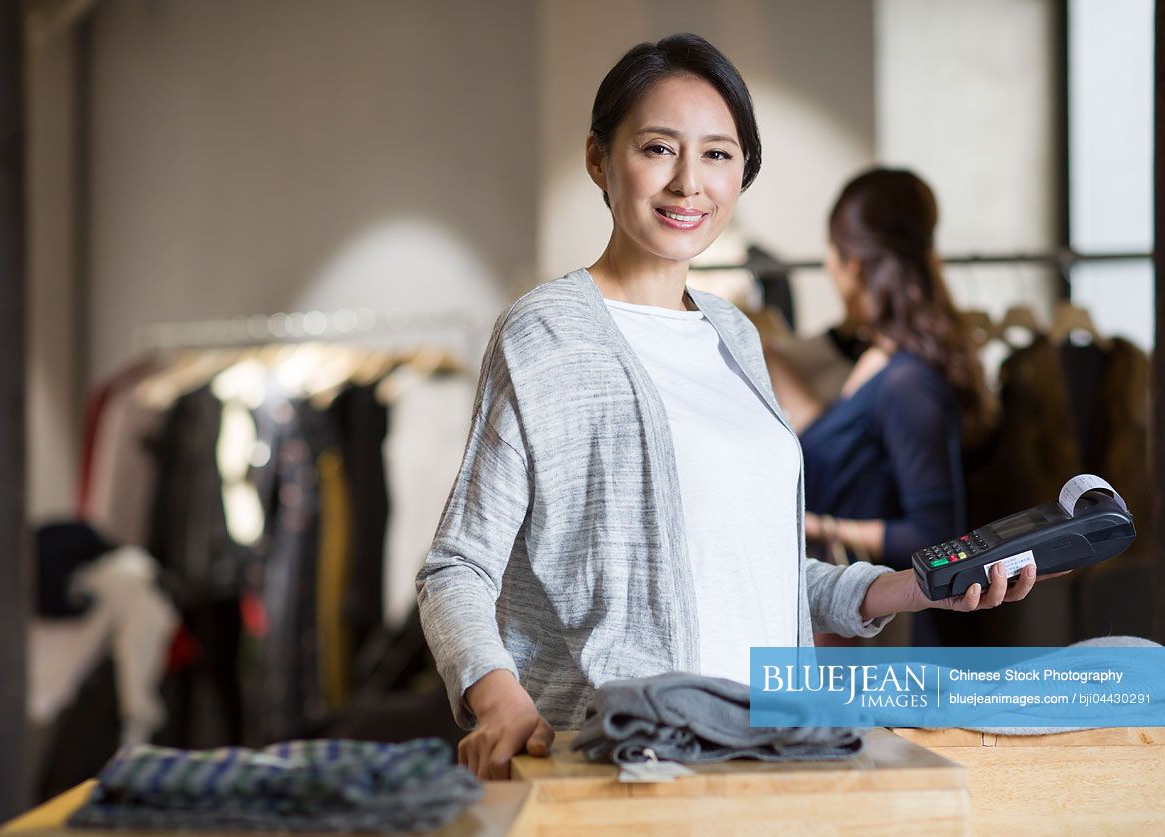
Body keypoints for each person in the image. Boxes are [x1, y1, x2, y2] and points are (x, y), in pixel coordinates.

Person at [416, 35, 1043, 781]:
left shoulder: (734, 336)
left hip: (774, 751)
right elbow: (456, 566)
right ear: (597, 159)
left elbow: (762, 569)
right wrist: (499, 700)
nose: (689, 183)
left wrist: (913, 585)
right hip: (626, 765)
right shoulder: (546, 330)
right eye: (657, 148)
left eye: (717, 154)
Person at [767, 168, 999, 646]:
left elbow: (936, 533)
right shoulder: (880, 363)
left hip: (886, 642)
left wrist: (822, 527)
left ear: (851, 264)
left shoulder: (907, 382)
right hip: (850, 629)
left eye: (830, 254)